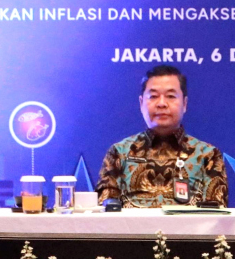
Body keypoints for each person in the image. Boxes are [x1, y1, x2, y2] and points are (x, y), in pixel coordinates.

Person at [96, 65, 228, 208]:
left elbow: (216, 215)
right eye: (153, 96)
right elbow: (105, 212)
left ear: (184, 104)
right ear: (141, 103)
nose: (162, 104)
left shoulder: (207, 155)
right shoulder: (119, 153)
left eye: (171, 96)